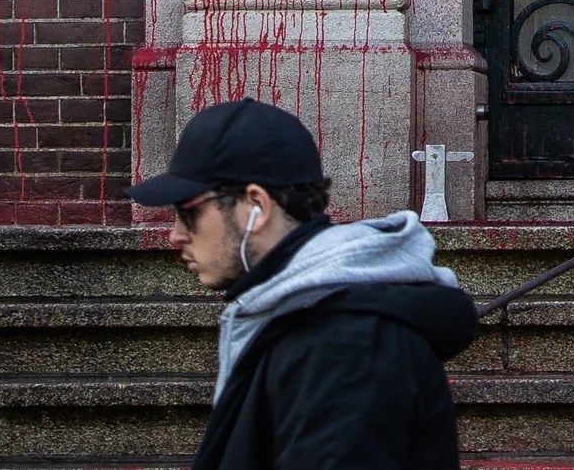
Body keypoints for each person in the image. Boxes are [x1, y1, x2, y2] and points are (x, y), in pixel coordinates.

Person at [130, 98, 480, 470]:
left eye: (189, 213)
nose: (174, 236)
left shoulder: (345, 348)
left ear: (257, 208)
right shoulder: (298, 322)